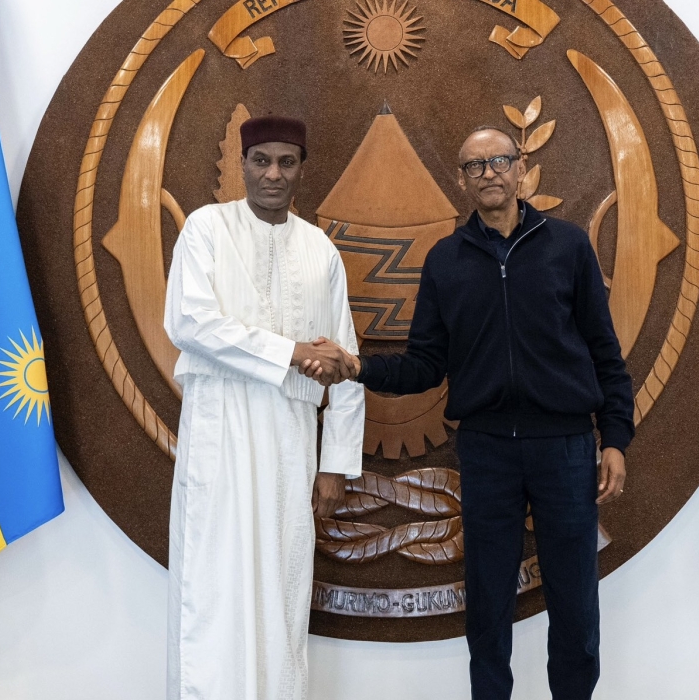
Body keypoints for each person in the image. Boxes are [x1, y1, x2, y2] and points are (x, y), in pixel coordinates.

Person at [307, 126, 634, 699]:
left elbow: (604, 351)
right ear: (462, 179)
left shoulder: (568, 246)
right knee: (486, 608)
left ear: (521, 167)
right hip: (486, 452)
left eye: (499, 161)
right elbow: (425, 366)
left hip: (566, 449)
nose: (488, 173)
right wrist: (356, 367)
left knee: (576, 605)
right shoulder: (445, 261)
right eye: (474, 166)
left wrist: (614, 439)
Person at [162, 115, 364, 700]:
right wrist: (289, 351)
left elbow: (345, 361)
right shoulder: (206, 228)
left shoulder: (319, 248)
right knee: (214, 581)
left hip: (289, 437)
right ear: (243, 164)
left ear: (301, 168)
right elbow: (189, 322)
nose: (273, 174)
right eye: (261, 161)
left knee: (281, 585)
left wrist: (334, 462)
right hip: (219, 429)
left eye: (287, 162)